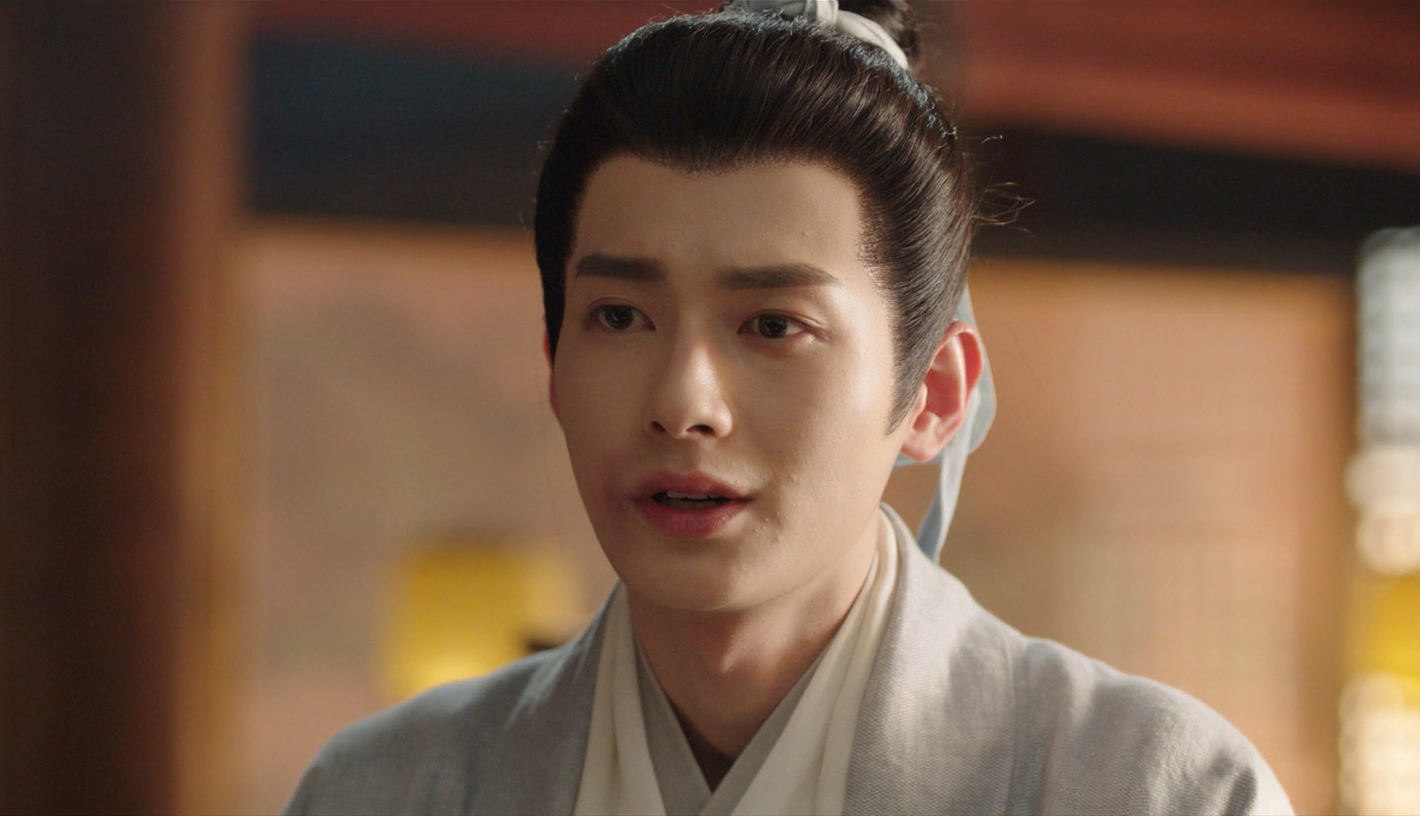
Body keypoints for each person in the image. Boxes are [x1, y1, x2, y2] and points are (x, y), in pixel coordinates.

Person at [284, 1, 1294, 813]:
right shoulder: (385, 791)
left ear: (934, 394)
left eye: (773, 325)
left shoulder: (1155, 790)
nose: (683, 403)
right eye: (621, 317)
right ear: (553, 365)